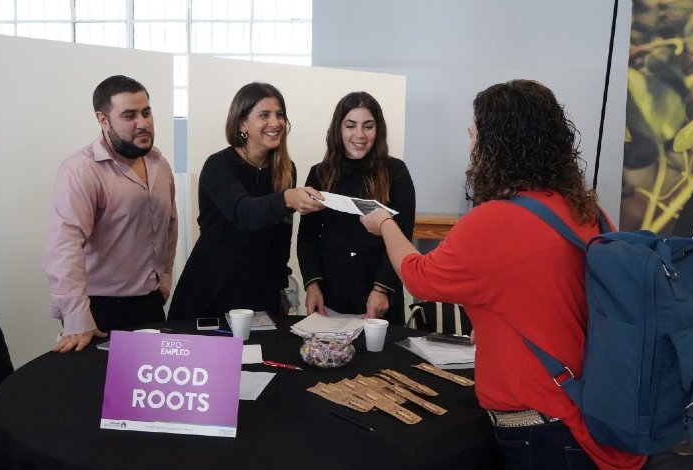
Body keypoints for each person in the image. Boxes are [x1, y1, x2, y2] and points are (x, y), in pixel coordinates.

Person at [360, 80, 647, 469]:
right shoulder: (589, 212)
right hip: (599, 417)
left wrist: (385, 224)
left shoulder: (494, 221)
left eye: (473, 136)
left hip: (546, 429)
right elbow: (555, 300)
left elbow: (418, 276)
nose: (469, 147)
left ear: (496, 146)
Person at [167, 82, 324, 322]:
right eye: (264, 115)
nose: (275, 122)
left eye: (280, 115)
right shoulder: (218, 166)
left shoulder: (285, 169)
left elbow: (281, 236)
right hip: (211, 289)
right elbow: (243, 213)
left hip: (260, 292)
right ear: (242, 124)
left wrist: (281, 284)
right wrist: (287, 198)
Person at [44, 75, 178, 353]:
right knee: (96, 382)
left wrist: (165, 278)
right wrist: (76, 316)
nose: (143, 123)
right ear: (103, 120)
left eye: (146, 113)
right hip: (99, 311)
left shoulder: (159, 163)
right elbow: (64, 246)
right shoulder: (81, 170)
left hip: (150, 304)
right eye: (129, 115)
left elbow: (170, 226)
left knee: (151, 379)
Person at [298, 92, 415, 325]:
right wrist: (312, 284)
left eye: (368, 126)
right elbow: (307, 236)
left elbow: (402, 235)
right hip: (330, 294)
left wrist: (381, 289)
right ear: (338, 129)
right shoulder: (319, 173)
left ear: (378, 130)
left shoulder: (396, 172)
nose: (359, 134)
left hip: (379, 296)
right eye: (350, 125)